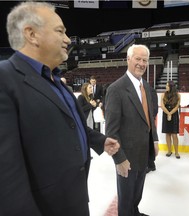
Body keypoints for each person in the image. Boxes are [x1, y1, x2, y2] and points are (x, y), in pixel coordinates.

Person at [0, 2, 119, 216]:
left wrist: (98, 140)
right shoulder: (5, 78)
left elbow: (67, 124)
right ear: (32, 34)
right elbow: (6, 177)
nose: (67, 39)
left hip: (74, 198)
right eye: (60, 31)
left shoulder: (55, 79)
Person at [105, 44, 159, 216]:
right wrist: (119, 158)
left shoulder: (147, 88)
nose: (142, 63)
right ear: (128, 59)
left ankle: (134, 212)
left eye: (145, 60)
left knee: (136, 196)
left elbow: (150, 118)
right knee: (126, 200)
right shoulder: (116, 89)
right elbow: (111, 131)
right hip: (126, 157)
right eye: (138, 59)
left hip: (144, 153)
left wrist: (155, 140)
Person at [161, 80, 181, 159]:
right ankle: (169, 151)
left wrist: (171, 113)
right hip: (166, 114)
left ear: (171, 87)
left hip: (174, 115)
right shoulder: (163, 95)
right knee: (167, 134)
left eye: (167, 85)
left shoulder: (178, 95)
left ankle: (176, 152)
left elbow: (177, 107)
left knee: (174, 134)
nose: (166, 87)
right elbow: (162, 106)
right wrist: (168, 113)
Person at [146, 85, 159, 173]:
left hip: (149, 121)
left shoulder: (151, 91)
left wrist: (151, 117)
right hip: (141, 122)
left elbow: (155, 108)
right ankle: (150, 164)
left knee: (149, 143)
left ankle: (151, 164)